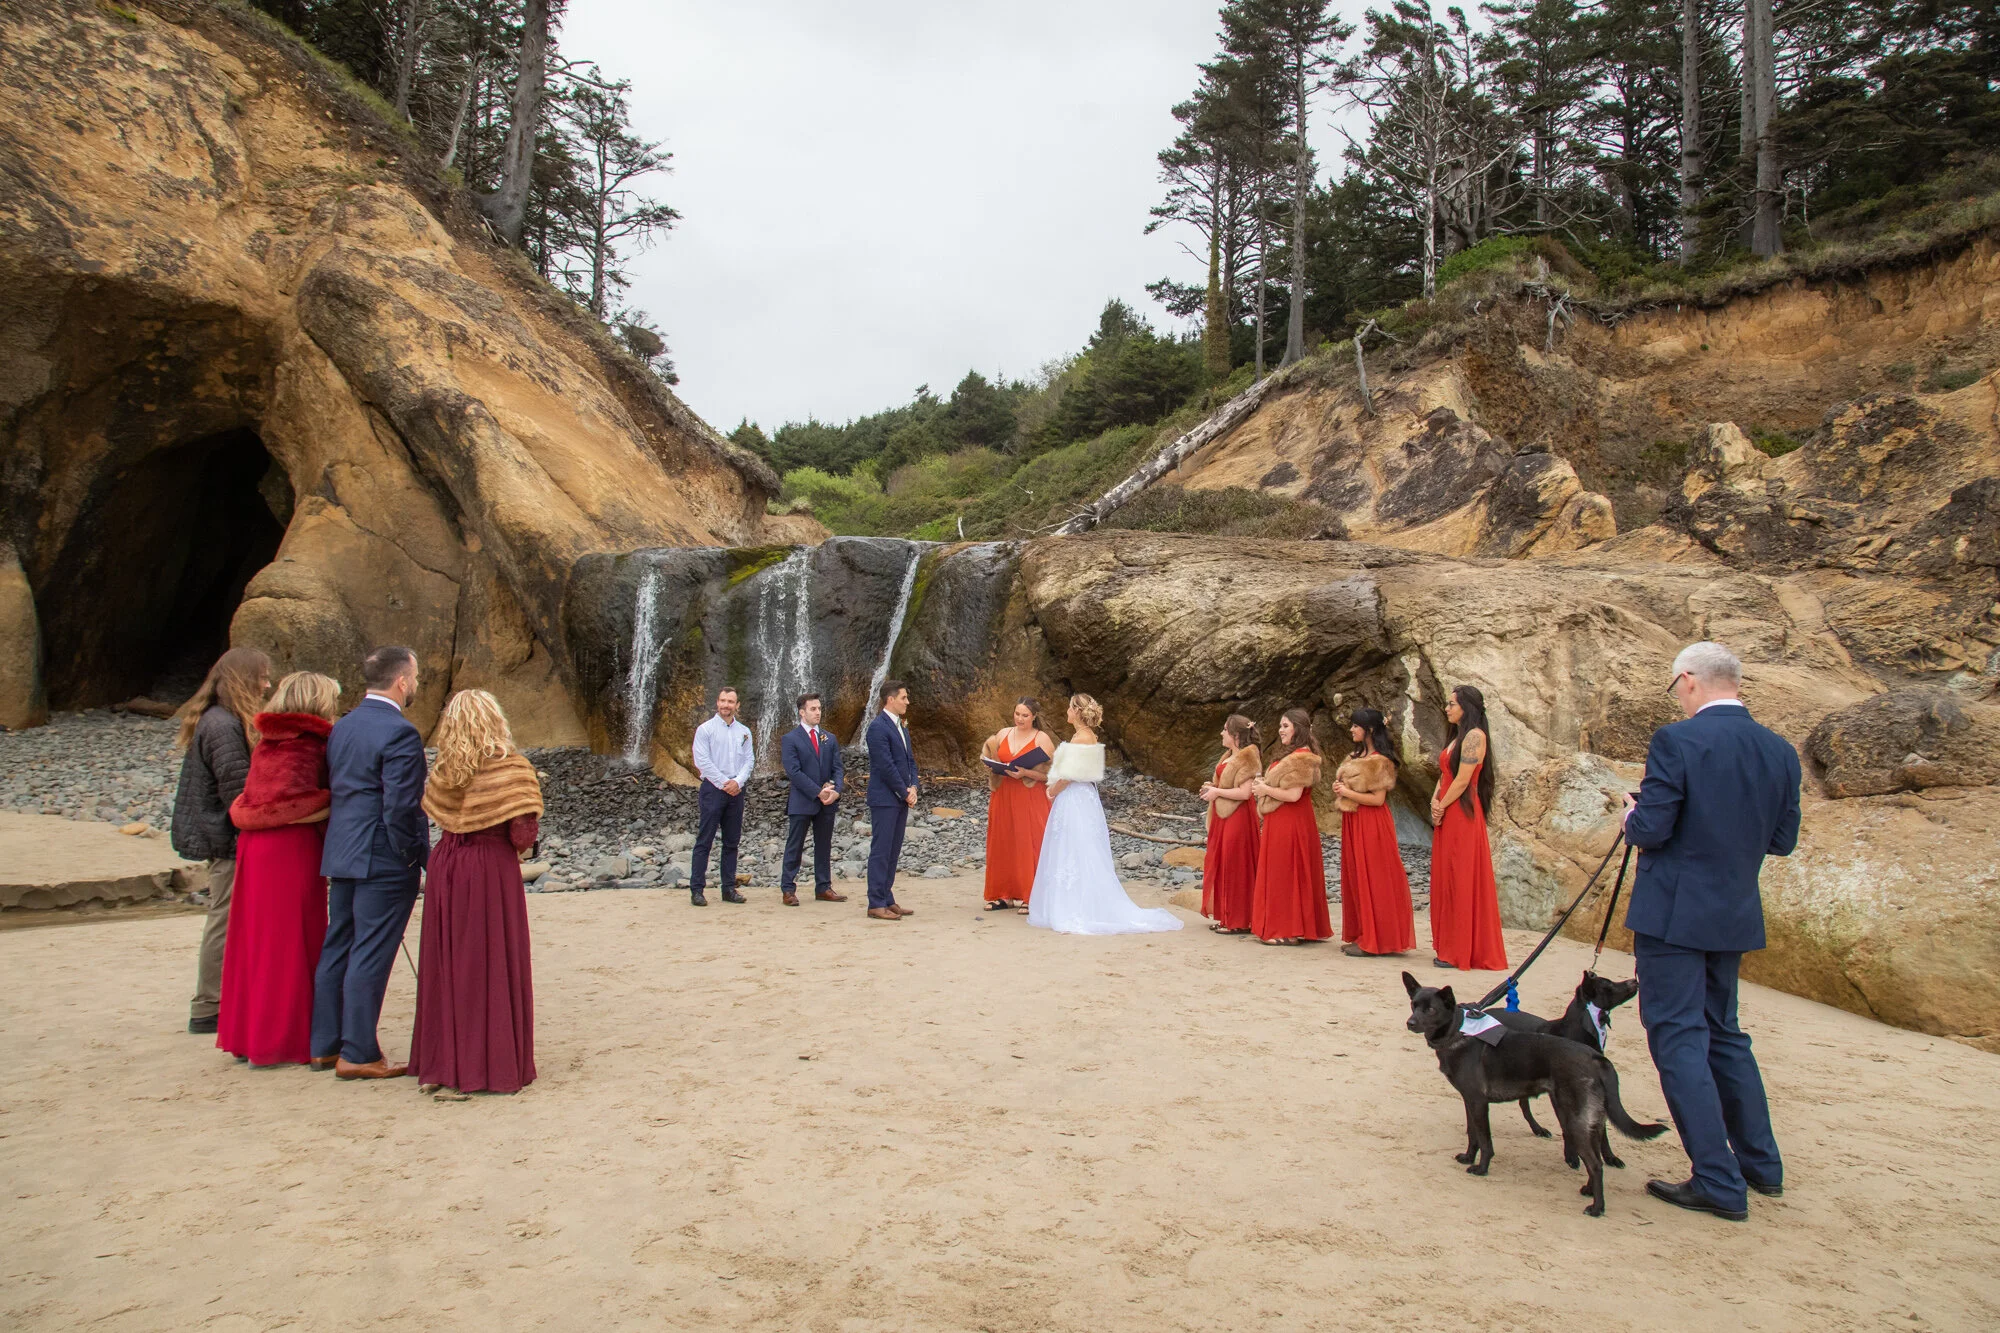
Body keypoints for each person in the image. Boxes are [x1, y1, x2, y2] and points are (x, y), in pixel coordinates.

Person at [1622, 641, 1800, 1222]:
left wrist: (1632, 813)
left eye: (1676, 686)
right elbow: (1782, 841)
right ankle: (1760, 1166)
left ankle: (1718, 1181)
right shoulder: (1779, 751)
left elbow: (1650, 830)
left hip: (1673, 912)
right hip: (1733, 911)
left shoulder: (1678, 740)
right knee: (1725, 1034)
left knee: (1676, 1038)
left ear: (1689, 680)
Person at [411, 689, 542, 1096]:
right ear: (495, 720)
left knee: (449, 963)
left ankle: (445, 1065)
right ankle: (490, 1066)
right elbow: (521, 836)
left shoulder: (444, 769)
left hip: (447, 864)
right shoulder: (513, 768)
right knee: (489, 962)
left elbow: (437, 816)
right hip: (488, 868)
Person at [313, 645, 429, 1080]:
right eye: (414, 677)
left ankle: (324, 1045)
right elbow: (402, 806)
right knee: (370, 951)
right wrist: (414, 855)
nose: (415, 684)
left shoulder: (342, 727)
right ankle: (358, 1052)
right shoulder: (400, 733)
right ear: (402, 681)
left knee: (338, 944)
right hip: (381, 856)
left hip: (341, 851)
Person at [217, 671, 339, 1067]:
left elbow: (264, 799)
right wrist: (333, 806)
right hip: (289, 851)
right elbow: (296, 805)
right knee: (290, 941)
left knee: (255, 939)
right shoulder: (309, 745)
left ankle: (250, 1035)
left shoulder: (268, 741)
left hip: (255, 848)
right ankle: (282, 1039)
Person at [171, 646, 273, 1035]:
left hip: (221, 832)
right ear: (243, 681)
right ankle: (208, 1004)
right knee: (224, 917)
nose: (266, 685)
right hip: (225, 837)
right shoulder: (223, 726)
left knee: (226, 915)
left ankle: (218, 998)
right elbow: (240, 793)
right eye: (261, 677)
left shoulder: (217, 720)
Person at [1025, 695, 1182, 936]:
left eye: (1070, 707)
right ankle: (1069, 903)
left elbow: (1072, 774)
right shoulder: (1082, 736)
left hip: (1075, 796)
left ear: (1077, 712)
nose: (1066, 710)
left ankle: (1078, 908)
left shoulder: (1084, 738)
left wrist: (1052, 790)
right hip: (1075, 798)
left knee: (1078, 848)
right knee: (1071, 848)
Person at [1428, 684, 1507, 972]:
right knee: (1447, 875)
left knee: (1459, 876)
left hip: (1461, 811)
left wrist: (1442, 805)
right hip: (1449, 809)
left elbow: (1463, 780)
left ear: (1466, 707)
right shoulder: (1458, 736)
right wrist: (1434, 802)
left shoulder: (1475, 736)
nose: (1447, 708)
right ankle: (1449, 944)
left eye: (1452, 704)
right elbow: (1445, 775)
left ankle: (1459, 949)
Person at [1330, 707, 1415, 958]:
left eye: (1356, 726)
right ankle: (1363, 932)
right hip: (1355, 820)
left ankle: (1377, 938)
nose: (1352, 729)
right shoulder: (1355, 756)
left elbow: (1377, 799)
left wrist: (1346, 793)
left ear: (1368, 730)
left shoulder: (1381, 761)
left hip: (1371, 822)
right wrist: (1341, 789)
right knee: (1357, 875)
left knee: (1374, 876)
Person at [1248, 708, 1332, 946]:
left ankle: (1287, 929)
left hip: (1291, 820)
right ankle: (1296, 926)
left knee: (1285, 871)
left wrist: (1264, 790)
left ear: (1298, 728)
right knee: (1286, 870)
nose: (1280, 730)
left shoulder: (1302, 757)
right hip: (1284, 819)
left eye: (1285, 726)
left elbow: (1294, 795)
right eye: (1280, 726)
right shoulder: (1295, 754)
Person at [980, 698, 1054, 912]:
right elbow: (988, 756)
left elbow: (1052, 774)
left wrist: (1025, 773)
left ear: (1034, 717)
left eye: (1025, 715)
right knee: (1003, 840)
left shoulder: (1043, 738)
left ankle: (1032, 896)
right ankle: (1003, 894)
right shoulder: (1003, 733)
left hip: (1029, 795)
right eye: (1017, 713)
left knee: (1028, 842)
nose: (1019, 718)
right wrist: (993, 765)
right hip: (1003, 793)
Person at [1196, 714, 1261, 935]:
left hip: (1238, 816)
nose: (1221, 733)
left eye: (1225, 730)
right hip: (1222, 815)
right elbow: (1225, 784)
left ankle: (1240, 919)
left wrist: (1216, 792)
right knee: (1223, 861)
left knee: (1236, 863)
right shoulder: (1228, 756)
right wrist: (1211, 788)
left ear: (1235, 735)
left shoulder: (1247, 757)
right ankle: (1226, 915)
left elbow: (1244, 793)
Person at [779, 692, 846, 906]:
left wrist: (836, 790)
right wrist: (818, 791)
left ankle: (823, 887)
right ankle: (788, 889)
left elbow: (837, 768)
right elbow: (794, 771)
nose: (817, 712)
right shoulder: (790, 739)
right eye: (813, 709)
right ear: (802, 712)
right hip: (803, 800)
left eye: (819, 708)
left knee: (824, 844)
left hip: (827, 801)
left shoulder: (830, 738)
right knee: (795, 845)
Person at [689, 686, 753, 907]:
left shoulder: (744, 731)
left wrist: (738, 782)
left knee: (732, 842)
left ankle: (728, 889)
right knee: (704, 840)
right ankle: (697, 890)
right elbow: (702, 761)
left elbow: (749, 761)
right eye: (723, 700)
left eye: (731, 701)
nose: (726, 705)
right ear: (717, 703)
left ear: (737, 705)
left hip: (736, 790)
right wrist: (725, 783)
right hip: (713, 789)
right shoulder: (705, 730)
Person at [863, 679, 920, 921]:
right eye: (904, 697)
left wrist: (914, 786)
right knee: (881, 850)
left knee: (893, 850)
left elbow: (910, 761)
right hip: (885, 798)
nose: (907, 702)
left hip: (900, 797)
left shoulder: (901, 726)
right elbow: (885, 766)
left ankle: (887, 897)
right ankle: (875, 902)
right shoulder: (878, 727)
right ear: (890, 700)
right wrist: (904, 791)